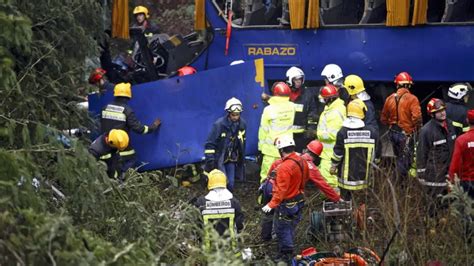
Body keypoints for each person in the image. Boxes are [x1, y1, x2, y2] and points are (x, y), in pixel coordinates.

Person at [259, 140, 340, 242]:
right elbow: (323, 185)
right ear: (317, 156)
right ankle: (283, 244)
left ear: (306, 149)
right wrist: (336, 198)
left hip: (268, 186)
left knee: (269, 213)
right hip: (279, 190)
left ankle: (266, 238)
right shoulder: (309, 165)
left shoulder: (293, 156)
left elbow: (276, 164)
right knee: (286, 218)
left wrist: (267, 181)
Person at [261, 135, 309, 262]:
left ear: (281, 150)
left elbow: (280, 190)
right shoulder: (302, 161)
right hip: (299, 199)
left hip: (287, 203)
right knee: (291, 227)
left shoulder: (284, 167)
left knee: (282, 229)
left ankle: (286, 256)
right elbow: (305, 178)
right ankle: (286, 250)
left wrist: (270, 204)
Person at [101, 82, 162, 174]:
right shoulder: (127, 111)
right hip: (120, 145)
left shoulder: (105, 108)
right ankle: (123, 180)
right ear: (128, 96)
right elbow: (139, 129)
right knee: (131, 158)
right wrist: (153, 127)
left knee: (112, 166)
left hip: (106, 145)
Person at [330, 99, 381, 201]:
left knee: (346, 203)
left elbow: (338, 154)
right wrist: (376, 165)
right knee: (363, 201)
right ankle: (362, 215)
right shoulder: (372, 132)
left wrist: (333, 166)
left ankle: (348, 215)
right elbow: (377, 153)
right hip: (365, 178)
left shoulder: (343, 132)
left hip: (346, 180)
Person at [416, 98, 456, 216]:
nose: (442, 113)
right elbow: (421, 154)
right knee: (433, 204)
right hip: (434, 175)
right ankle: (432, 226)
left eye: (443, 110)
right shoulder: (426, 131)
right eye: (439, 111)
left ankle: (444, 225)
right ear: (432, 114)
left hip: (449, 173)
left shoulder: (450, 125)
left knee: (448, 203)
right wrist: (422, 175)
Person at [380, 71, 422, 178]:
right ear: (409, 85)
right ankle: (397, 182)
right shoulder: (412, 99)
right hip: (406, 135)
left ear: (397, 84)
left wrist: (391, 123)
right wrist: (417, 129)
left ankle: (399, 182)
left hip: (393, 133)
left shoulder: (389, 98)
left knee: (399, 157)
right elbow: (416, 118)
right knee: (405, 161)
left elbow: (383, 119)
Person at [193, 169, 244, 251]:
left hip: (208, 250)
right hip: (231, 249)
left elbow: (196, 226)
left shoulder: (201, 202)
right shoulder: (234, 202)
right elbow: (239, 225)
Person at [204, 97, 247, 191]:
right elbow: (210, 144)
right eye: (233, 115)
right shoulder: (219, 125)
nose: (235, 117)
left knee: (230, 184)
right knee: (221, 183)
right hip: (219, 159)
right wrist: (211, 162)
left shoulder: (242, 124)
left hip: (231, 158)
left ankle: (229, 200)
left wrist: (240, 159)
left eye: (238, 114)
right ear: (228, 113)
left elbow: (242, 143)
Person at [258, 82, 295, 182]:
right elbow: (281, 103)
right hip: (286, 151)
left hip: (270, 150)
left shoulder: (268, 110)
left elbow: (263, 130)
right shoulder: (292, 107)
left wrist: (260, 148)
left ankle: (264, 197)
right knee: (284, 178)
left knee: (267, 177)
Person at [317, 84, 346, 188]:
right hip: (329, 152)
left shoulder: (334, 113)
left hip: (330, 153)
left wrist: (318, 135)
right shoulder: (335, 108)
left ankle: (335, 201)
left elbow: (334, 134)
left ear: (329, 99)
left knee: (329, 180)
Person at [284, 66, 319, 153]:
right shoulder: (283, 93)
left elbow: (312, 112)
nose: (299, 82)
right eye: (296, 80)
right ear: (290, 80)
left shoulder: (307, 94)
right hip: (285, 135)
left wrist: (311, 129)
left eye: (300, 79)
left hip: (301, 137)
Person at [448, 109, 474, 198]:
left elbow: (455, 165)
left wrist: (451, 183)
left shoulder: (461, 140)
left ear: (467, 120)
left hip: (466, 184)